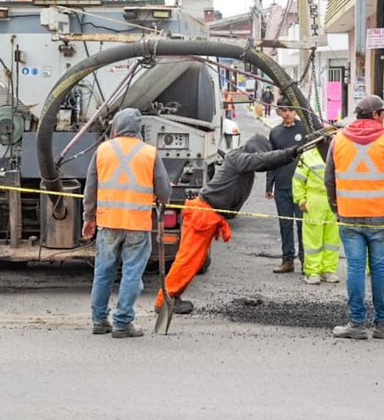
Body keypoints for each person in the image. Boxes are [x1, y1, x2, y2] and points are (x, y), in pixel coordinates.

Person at [156, 133, 299, 313]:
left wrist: (292, 154)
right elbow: (262, 160)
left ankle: (172, 297)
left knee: (194, 261)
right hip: (203, 214)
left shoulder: (241, 160)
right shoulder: (238, 158)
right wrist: (290, 152)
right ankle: (165, 300)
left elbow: (266, 161)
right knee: (187, 260)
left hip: (207, 214)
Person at [327, 95, 384, 341]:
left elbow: (329, 178)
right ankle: (383, 323)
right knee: (378, 268)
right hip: (381, 215)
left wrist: (337, 207)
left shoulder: (338, 139)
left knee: (354, 267)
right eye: (382, 113)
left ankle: (356, 323)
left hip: (350, 214)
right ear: (375, 115)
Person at [83, 108, 171, 338]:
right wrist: (163, 200)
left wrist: (88, 218)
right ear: (138, 128)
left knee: (103, 272)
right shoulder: (149, 153)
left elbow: (90, 189)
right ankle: (122, 323)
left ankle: (99, 320)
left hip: (108, 222)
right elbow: (164, 191)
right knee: (132, 274)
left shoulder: (102, 150)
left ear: (115, 127)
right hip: (137, 224)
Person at [267, 97, 307, 274]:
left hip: (302, 187)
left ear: (296, 111)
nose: (288, 113)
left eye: (291, 110)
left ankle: (306, 260)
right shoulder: (275, 132)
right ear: (279, 112)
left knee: (302, 225)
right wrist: (270, 183)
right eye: (284, 110)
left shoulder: (304, 130)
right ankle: (287, 260)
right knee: (285, 225)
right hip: (282, 185)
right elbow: (272, 159)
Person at [293, 144, 340, 285]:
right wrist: (300, 199)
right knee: (313, 239)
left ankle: (328, 270)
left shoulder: (337, 153)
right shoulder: (308, 155)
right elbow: (298, 179)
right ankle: (312, 271)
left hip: (333, 200)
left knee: (332, 239)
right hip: (314, 201)